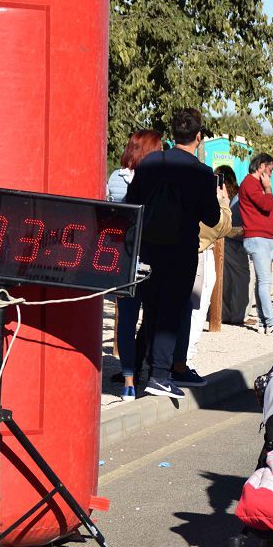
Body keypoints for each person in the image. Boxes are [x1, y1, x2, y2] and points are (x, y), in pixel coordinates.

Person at [125, 109, 220, 398]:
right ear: (198, 137)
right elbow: (212, 217)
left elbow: (133, 202)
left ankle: (141, 369)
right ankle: (160, 375)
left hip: (148, 246)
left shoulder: (150, 163)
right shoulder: (202, 173)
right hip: (180, 249)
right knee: (170, 311)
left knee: (151, 308)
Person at [112, 130, 165, 400]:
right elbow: (124, 218)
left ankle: (141, 366)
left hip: (153, 257)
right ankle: (129, 378)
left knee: (152, 317)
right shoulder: (120, 179)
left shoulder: (161, 179)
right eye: (159, 148)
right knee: (127, 318)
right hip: (128, 257)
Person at [176, 165, 235, 376]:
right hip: (199, 254)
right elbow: (222, 226)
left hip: (181, 253)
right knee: (195, 310)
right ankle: (184, 359)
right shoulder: (203, 204)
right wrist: (223, 202)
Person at [238, 153, 273, 334]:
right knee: (265, 282)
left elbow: (270, 205)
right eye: (270, 170)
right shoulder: (250, 183)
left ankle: (263, 322)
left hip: (263, 238)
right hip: (257, 239)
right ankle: (270, 322)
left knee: (261, 282)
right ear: (261, 166)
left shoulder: (257, 184)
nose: (271, 174)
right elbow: (265, 204)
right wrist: (268, 188)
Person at [221, 168, 252, 325]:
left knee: (226, 280)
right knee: (242, 279)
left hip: (225, 239)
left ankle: (225, 314)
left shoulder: (232, 197)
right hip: (235, 241)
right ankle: (239, 316)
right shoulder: (241, 197)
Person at [106, 130, 162, 203]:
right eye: (160, 149)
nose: (163, 153)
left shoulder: (115, 176)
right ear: (150, 151)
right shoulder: (158, 180)